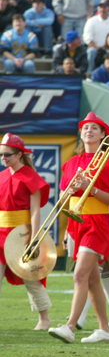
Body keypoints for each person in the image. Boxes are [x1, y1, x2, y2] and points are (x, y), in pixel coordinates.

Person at [47, 112, 109, 344]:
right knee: (93, 279)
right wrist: (71, 190)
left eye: (95, 128)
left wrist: (90, 189)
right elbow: (63, 200)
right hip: (77, 223)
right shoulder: (72, 163)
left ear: (104, 135)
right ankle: (105, 329)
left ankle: (70, 326)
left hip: (99, 224)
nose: (89, 131)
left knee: (80, 274)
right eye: (85, 128)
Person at [0, 133, 52, 330]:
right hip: (0, 232)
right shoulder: (2, 176)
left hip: (22, 234)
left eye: (7, 155)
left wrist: (34, 237)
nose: (3, 158)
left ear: (20, 154)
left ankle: (44, 318)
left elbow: (35, 210)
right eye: (1, 155)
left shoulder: (31, 177)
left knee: (32, 277)